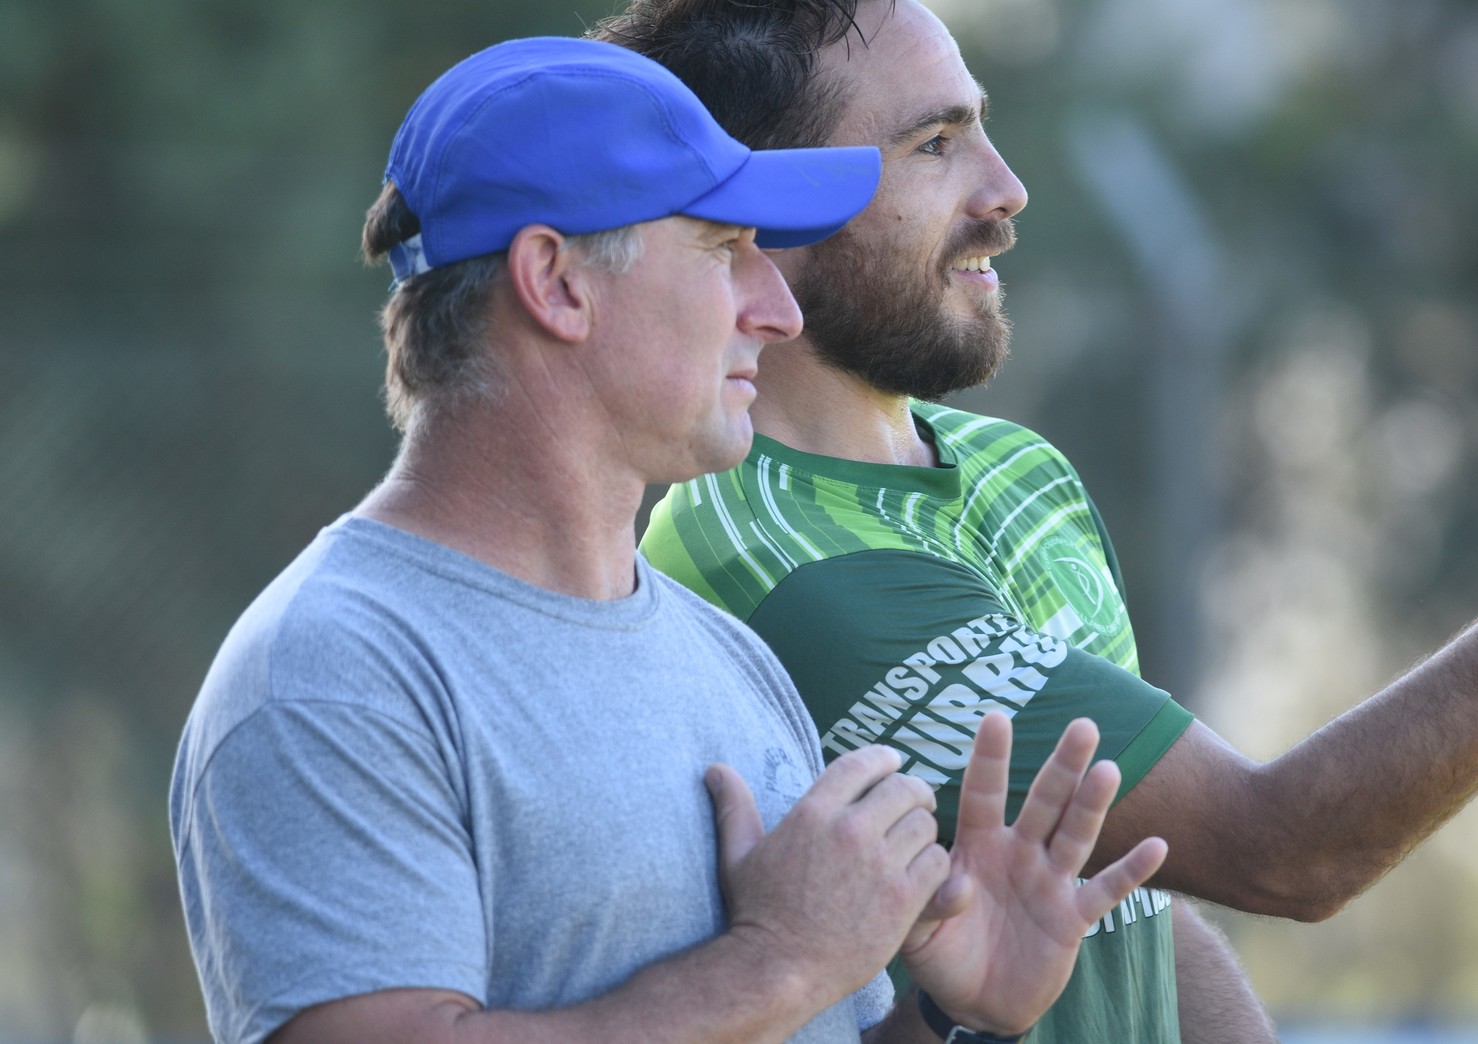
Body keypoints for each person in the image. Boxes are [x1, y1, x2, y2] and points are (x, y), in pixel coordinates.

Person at [168, 36, 1171, 1044]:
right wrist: (775, 960)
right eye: (724, 248)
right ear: (556, 282)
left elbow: (787, 1023)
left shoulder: (727, 660)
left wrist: (953, 1014)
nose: (775, 311)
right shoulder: (332, 671)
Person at [601, 0, 1478, 1041]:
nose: (1005, 191)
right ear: (769, 203)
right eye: (934, 144)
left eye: (978, 128)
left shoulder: (1018, 469)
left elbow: (1139, 895)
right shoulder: (793, 571)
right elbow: (1280, 849)